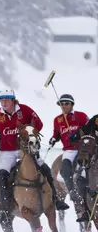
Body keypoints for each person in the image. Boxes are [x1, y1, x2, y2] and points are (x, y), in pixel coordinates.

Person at [0, 88, 68, 224]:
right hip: (7, 152)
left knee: (45, 169)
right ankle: (5, 211)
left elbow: (39, 125)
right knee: (2, 176)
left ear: (13, 100)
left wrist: (28, 132)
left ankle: (56, 201)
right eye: (1, 100)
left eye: (6, 100)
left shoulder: (25, 110)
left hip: (27, 149)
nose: (3, 103)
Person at [48, 94, 89, 222]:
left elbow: (89, 129)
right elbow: (56, 134)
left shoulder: (81, 116)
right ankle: (73, 194)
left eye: (66, 103)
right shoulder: (58, 120)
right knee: (65, 171)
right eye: (62, 104)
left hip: (82, 149)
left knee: (83, 173)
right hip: (69, 151)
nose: (64, 106)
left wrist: (77, 135)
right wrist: (54, 139)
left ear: (72, 105)